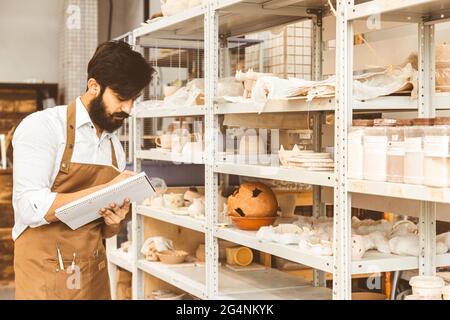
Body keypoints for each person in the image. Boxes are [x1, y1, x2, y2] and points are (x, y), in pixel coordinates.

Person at [12, 41, 153, 299]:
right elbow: (30, 206)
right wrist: (106, 189)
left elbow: (105, 230)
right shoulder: (42, 128)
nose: (128, 109)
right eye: (121, 98)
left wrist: (115, 222)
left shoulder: (113, 148)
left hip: (93, 273)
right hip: (45, 272)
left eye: (133, 100)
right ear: (93, 86)